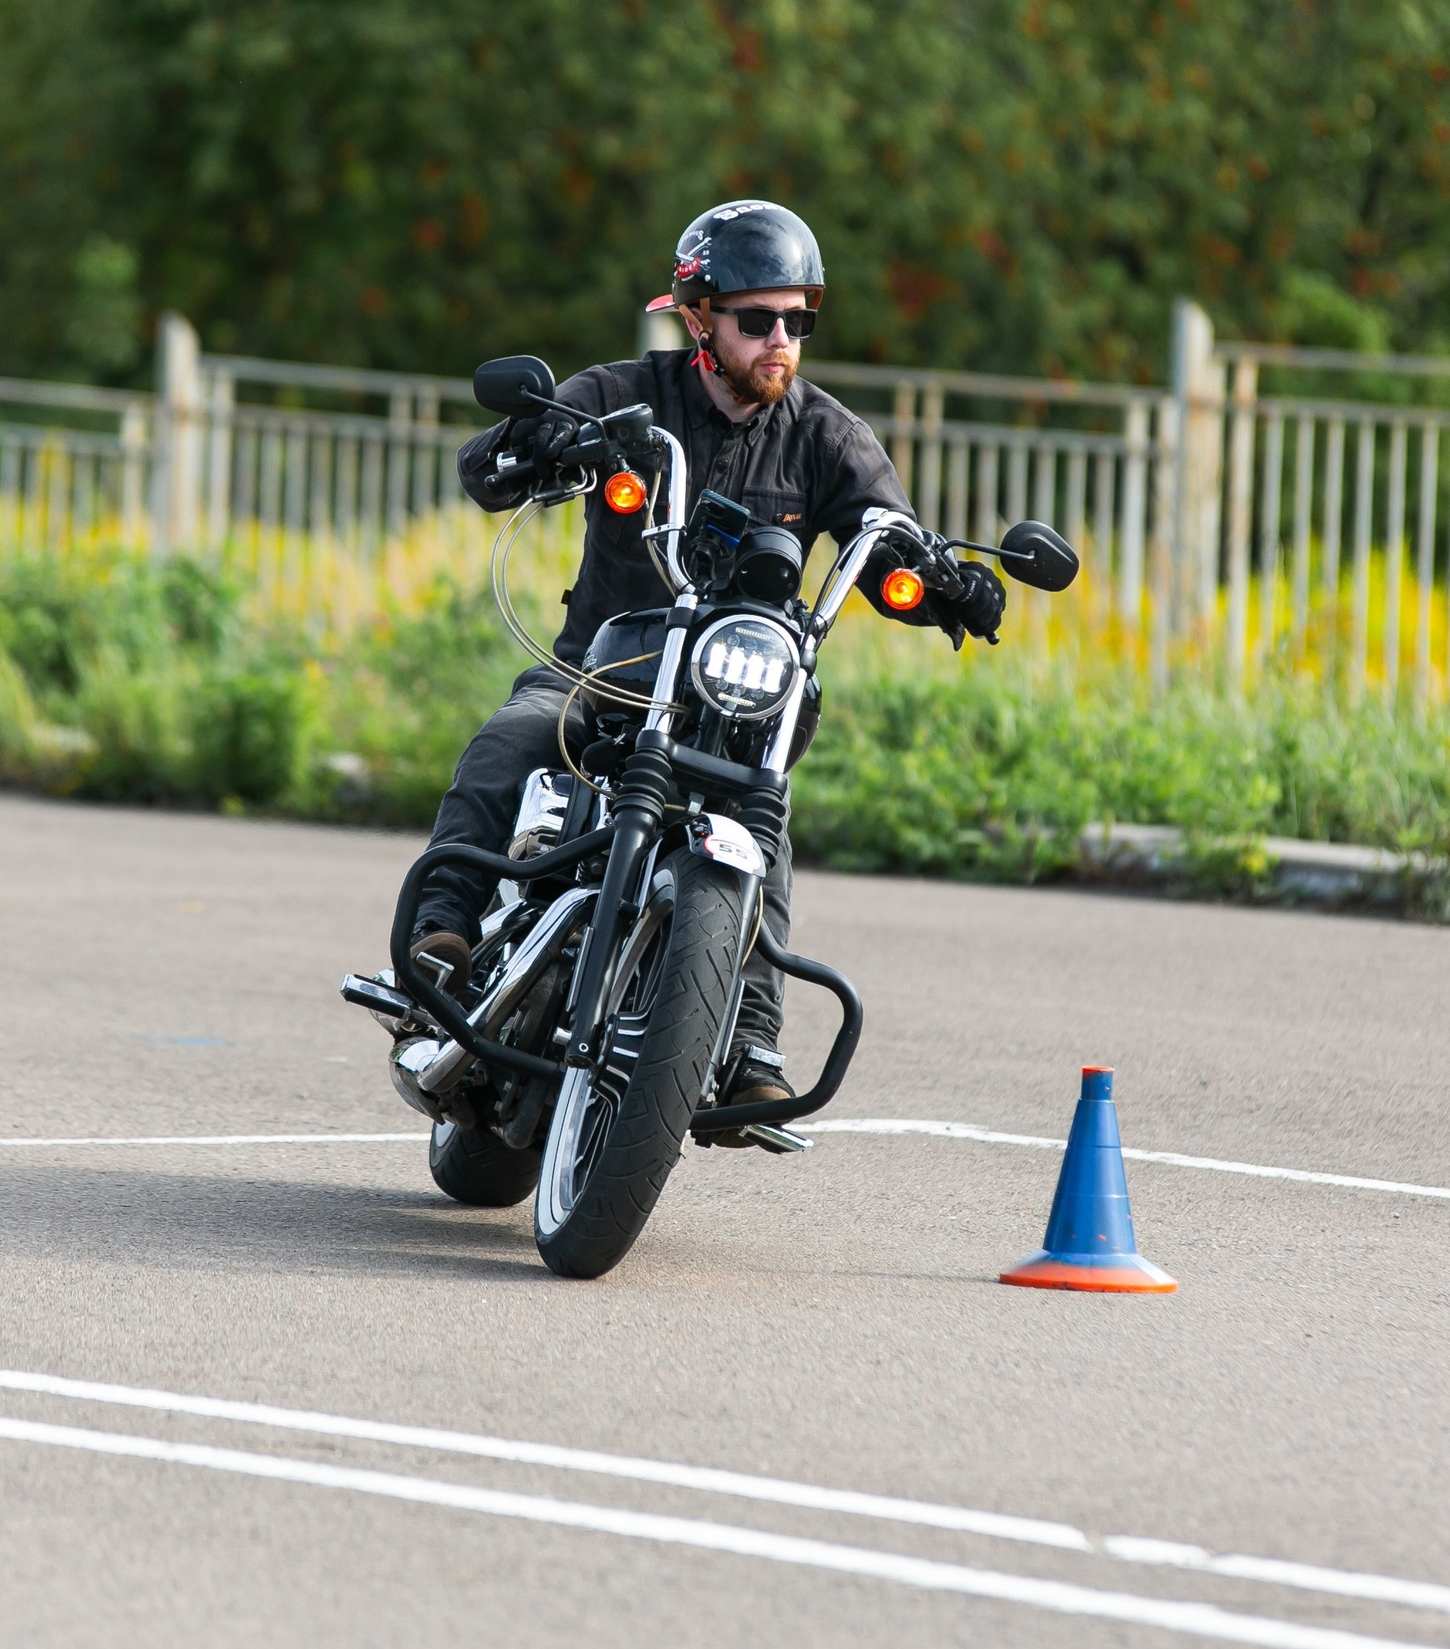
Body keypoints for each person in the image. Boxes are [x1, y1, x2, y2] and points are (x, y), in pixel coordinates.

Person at [406, 199, 1005, 1113]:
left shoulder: (829, 437)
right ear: (698, 317)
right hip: (600, 671)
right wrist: (538, 439)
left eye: (798, 319)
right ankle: (441, 933)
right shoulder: (620, 397)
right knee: (515, 736)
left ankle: (752, 1035)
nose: (781, 338)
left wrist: (950, 582)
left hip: (735, 703)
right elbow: (485, 470)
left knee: (762, 824)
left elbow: (891, 543)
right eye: (757, 318)